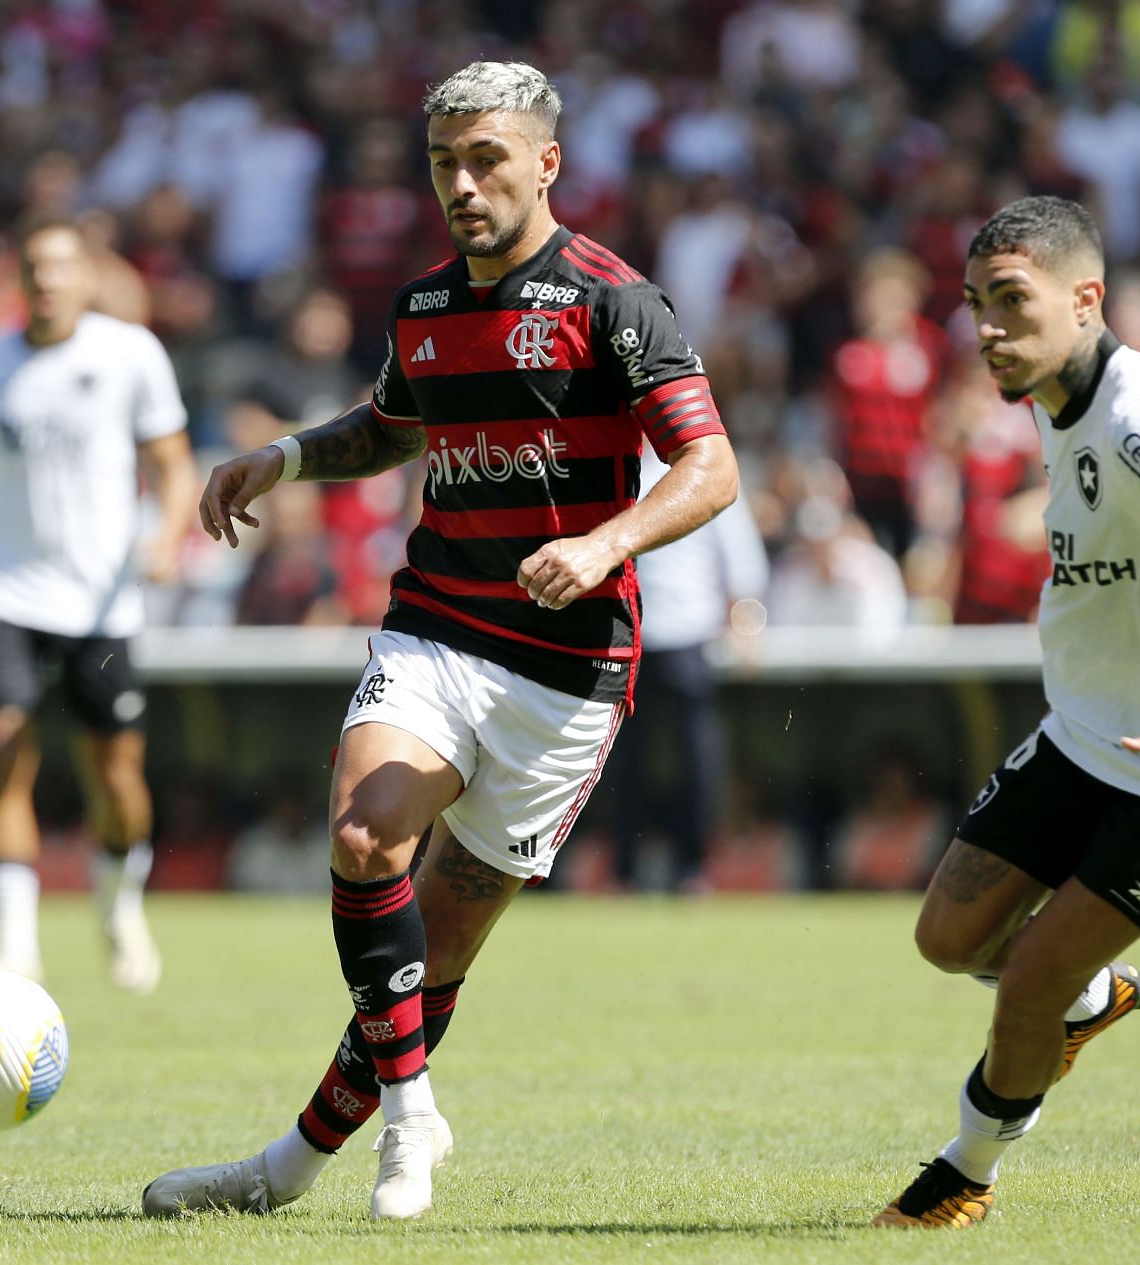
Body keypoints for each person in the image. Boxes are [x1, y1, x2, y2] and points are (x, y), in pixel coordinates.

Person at [141, 60, 738, 1221]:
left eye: (486, 160)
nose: (462, 186)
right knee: (368, 838)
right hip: (440, 624)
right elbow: (389, 427)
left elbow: (711, 467)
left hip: (569, 669)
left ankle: (287, 1165)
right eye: (443, 164)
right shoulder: (423, 308)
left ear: (546, 162)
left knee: (439, 951)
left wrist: (608, 541)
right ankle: (413, 1116)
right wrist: (288, 456)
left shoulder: (616, 301)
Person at [873, 197, 1140, 1228]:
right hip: (1089, 729)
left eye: (1011, 302)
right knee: (947, 937)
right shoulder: (1047, 392)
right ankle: (1088, 996)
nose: (985, 326)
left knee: (1023, 978)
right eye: (975, 302)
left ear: (1087, 300)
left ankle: (964, 1175)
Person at [0, 216, 199, 991]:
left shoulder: (128, 354)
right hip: (4, 586)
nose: (47, 280)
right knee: (0, 742)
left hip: (102, 600)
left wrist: (165, 540)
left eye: (62, 267)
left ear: (87, 279)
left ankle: (119, 908)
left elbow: (174, 463)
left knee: (116, 773)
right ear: (17, 280)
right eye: (34, 266)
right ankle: (13, 944)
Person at [606, 446, 766, 893]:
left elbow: (739, 554)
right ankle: (624, 869)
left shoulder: (702, 463)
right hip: (626, 635)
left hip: (686, 629)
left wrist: (746, 622)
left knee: (697, 760)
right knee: (622, 761)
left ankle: (694, 866)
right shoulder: (619, 466)